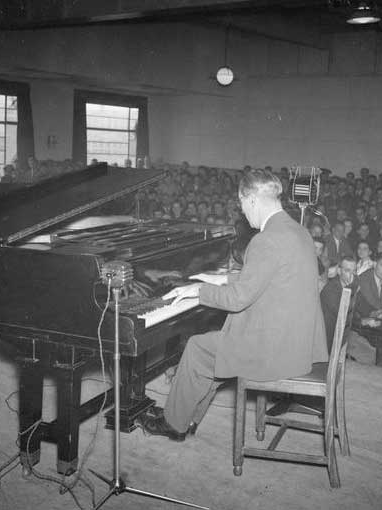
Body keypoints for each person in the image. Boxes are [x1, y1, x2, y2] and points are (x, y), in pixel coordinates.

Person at [136, 169, 327, 440]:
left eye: (241, 205)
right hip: (298, 343)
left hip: (275, 351)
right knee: (213, 350)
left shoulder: (266, 240)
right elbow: (268, 277)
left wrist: (199, 290)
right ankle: (186, 418)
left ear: (250, 199)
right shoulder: (298, 231)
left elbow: (238, 300)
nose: (243, 213)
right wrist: (221, 278)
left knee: (198, 347)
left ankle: (174, 424)